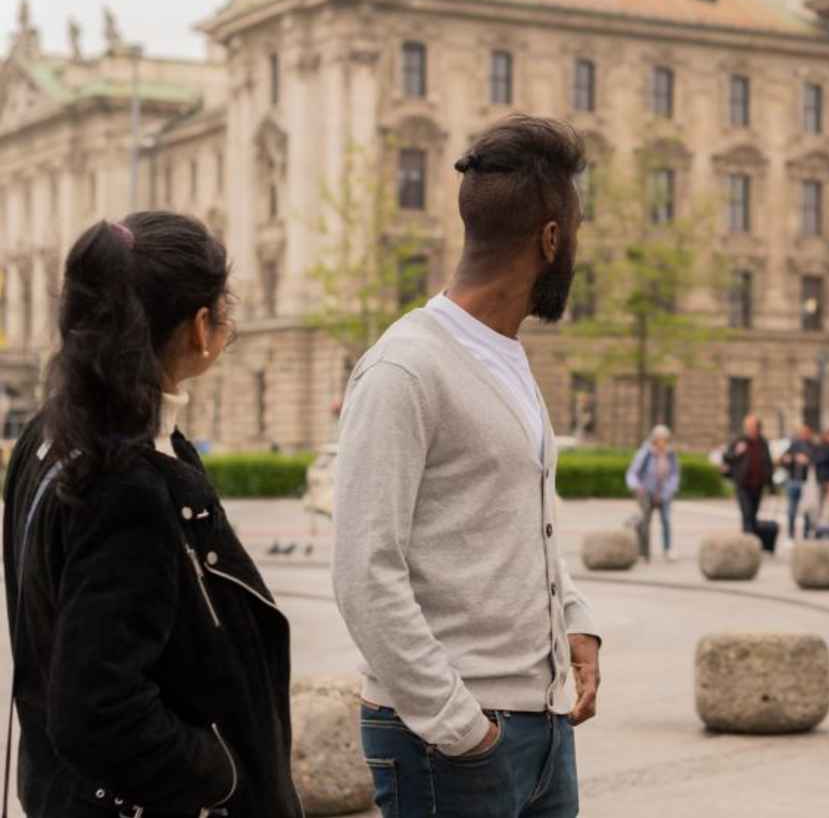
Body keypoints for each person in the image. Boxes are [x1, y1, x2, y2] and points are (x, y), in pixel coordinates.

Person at [333, 115, 602, 818]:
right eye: (574, 233)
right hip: (453, 738)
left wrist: (574, 620)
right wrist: (458, 726)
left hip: (539, 729)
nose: (576, 249)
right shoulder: (405, 368)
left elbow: (515, 521)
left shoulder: (504, 355)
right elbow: (364, 571)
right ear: (550, 239)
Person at [2, 213, 302, 817]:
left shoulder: (50, 432)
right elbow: (97, 707)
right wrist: (221, 775)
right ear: (199, 329)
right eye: (225, 310)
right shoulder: (126, 479)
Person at [626, 424, 680, 561]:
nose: (662, 442)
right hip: (646, 492)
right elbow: (632, 473)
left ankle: (667, 549)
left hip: (664, 493)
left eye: (664, 439)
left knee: (666, 520)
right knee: (645, 521)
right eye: (659, 439)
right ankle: (644, 553)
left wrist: (669, 490)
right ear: (654, 440)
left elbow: (674, 474)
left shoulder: (671, 454)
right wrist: (637, 487)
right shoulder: (645, 453)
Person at [722, 413, 773, 535]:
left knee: (754, 514)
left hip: (758, 485)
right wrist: (737, 453)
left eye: (753, 427)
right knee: (747, 513)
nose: (750, 429)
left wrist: (770, 483)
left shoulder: (763, 442)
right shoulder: (739, 441)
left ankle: (752, 540)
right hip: (743, 484)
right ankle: (748, 540)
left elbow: (767, 462)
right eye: (748, 427)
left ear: (758, 428)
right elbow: (726, 457)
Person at [779, 423, 818, 539]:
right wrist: (791, 459)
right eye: (803, 432)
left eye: (807, 432)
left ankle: (806, 534)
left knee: (807, 510)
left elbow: (818, 461)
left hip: (807, 483)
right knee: (792, 510)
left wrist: (808, 460)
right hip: (793, 480)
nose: (804, 435)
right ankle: (791, 534)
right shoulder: (794, 445)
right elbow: (783, 459)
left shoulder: (814, 446)